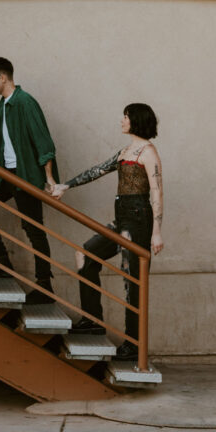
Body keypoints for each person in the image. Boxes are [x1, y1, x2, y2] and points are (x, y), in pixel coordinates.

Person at [48, 103, 163, 360]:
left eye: (125, 116)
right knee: (86, 254)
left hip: (139, 220)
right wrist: (66, 185)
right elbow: (98, 170)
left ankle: (133, 346)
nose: (122, 120)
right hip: (122, 217)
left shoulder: (148, 153)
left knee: (131, 280)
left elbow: (156, 192)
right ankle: (93, 321)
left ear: (136, 120)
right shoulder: (126, 150)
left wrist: (156, 231)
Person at [0, 58, 58, 298]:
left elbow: (44, 143)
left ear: (3, 78)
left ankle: (44, 285)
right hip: (5, 173)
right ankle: (3, 264)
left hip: (25, 175)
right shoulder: (3, 104)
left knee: (33, 228)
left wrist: (48, 179)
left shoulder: (25, 102)